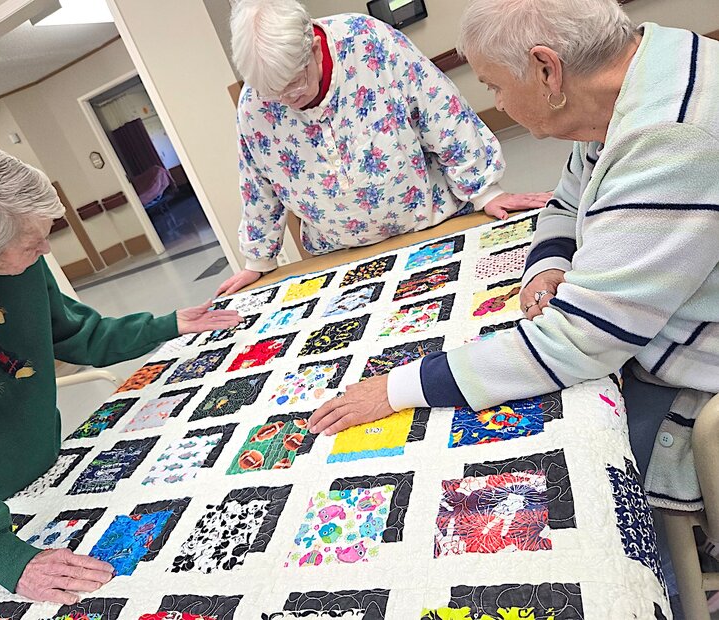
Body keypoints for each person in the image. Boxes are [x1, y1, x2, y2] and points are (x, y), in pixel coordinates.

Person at [308, 0, 718, 484]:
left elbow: (579, 341)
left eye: (494, 85)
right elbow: (566, 205)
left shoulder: (670, 140)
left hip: (693, 373)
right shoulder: (634, 73)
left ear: (547, 70)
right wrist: (547, 266)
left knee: (584, 477)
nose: (498, 104)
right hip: (658, 328)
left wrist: (397, 388)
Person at [0, 142, 241, 604]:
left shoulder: (1, 239)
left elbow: (68, 330)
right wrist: (2, 555)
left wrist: (167, 325)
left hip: (27, 459)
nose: (46, 249)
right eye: (33, 245)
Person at [216, 0, 549, 296]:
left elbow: (440, 112)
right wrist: (258, 258)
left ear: (315, 49)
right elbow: (256, 181)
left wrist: (486, 191)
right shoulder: (255, 103)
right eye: (273, 93)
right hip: (341, 256)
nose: (287, 100)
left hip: (432, 225)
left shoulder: (369, 40)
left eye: (294, 84)